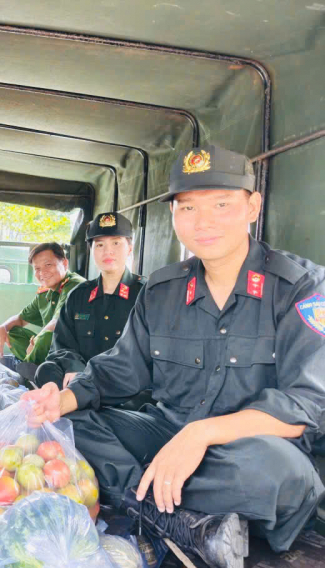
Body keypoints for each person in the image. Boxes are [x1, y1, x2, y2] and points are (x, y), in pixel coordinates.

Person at [23, 145, 325, 568]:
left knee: (278, 474)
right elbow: (122, 368)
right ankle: (163, 513)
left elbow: (306, 406)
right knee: (68, 426)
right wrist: (61, 399)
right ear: (174, 216)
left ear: (252, 206)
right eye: (187, 208)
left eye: (221, 204)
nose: (203, 222)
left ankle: (142, 502)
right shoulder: (163, 290)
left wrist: (201, 435)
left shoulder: (299, 287)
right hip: (168, 431)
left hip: (248, 450)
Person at [34, 212, 146, 391]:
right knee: (46, 370)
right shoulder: (79, 296)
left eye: (116, 243)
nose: (107, 251)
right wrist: (75, 369)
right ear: (91, 250)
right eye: (99, 244)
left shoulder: (146, 294)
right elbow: (62, 345)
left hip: (125, 385)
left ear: (130, 248)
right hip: (80, 382)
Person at [0, 242, 85, 372]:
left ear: (65, 264)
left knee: (48, 335)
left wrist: (36, 341)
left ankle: (29, 368)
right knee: (12, 332)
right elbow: (20, 319)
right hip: (54, 350)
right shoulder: (45, 293)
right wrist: (1, 328)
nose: (43, 272)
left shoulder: (75, 284)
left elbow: (58, 322)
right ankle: (31, 366)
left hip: (75, 353)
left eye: (48, 265)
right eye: (37, 268)